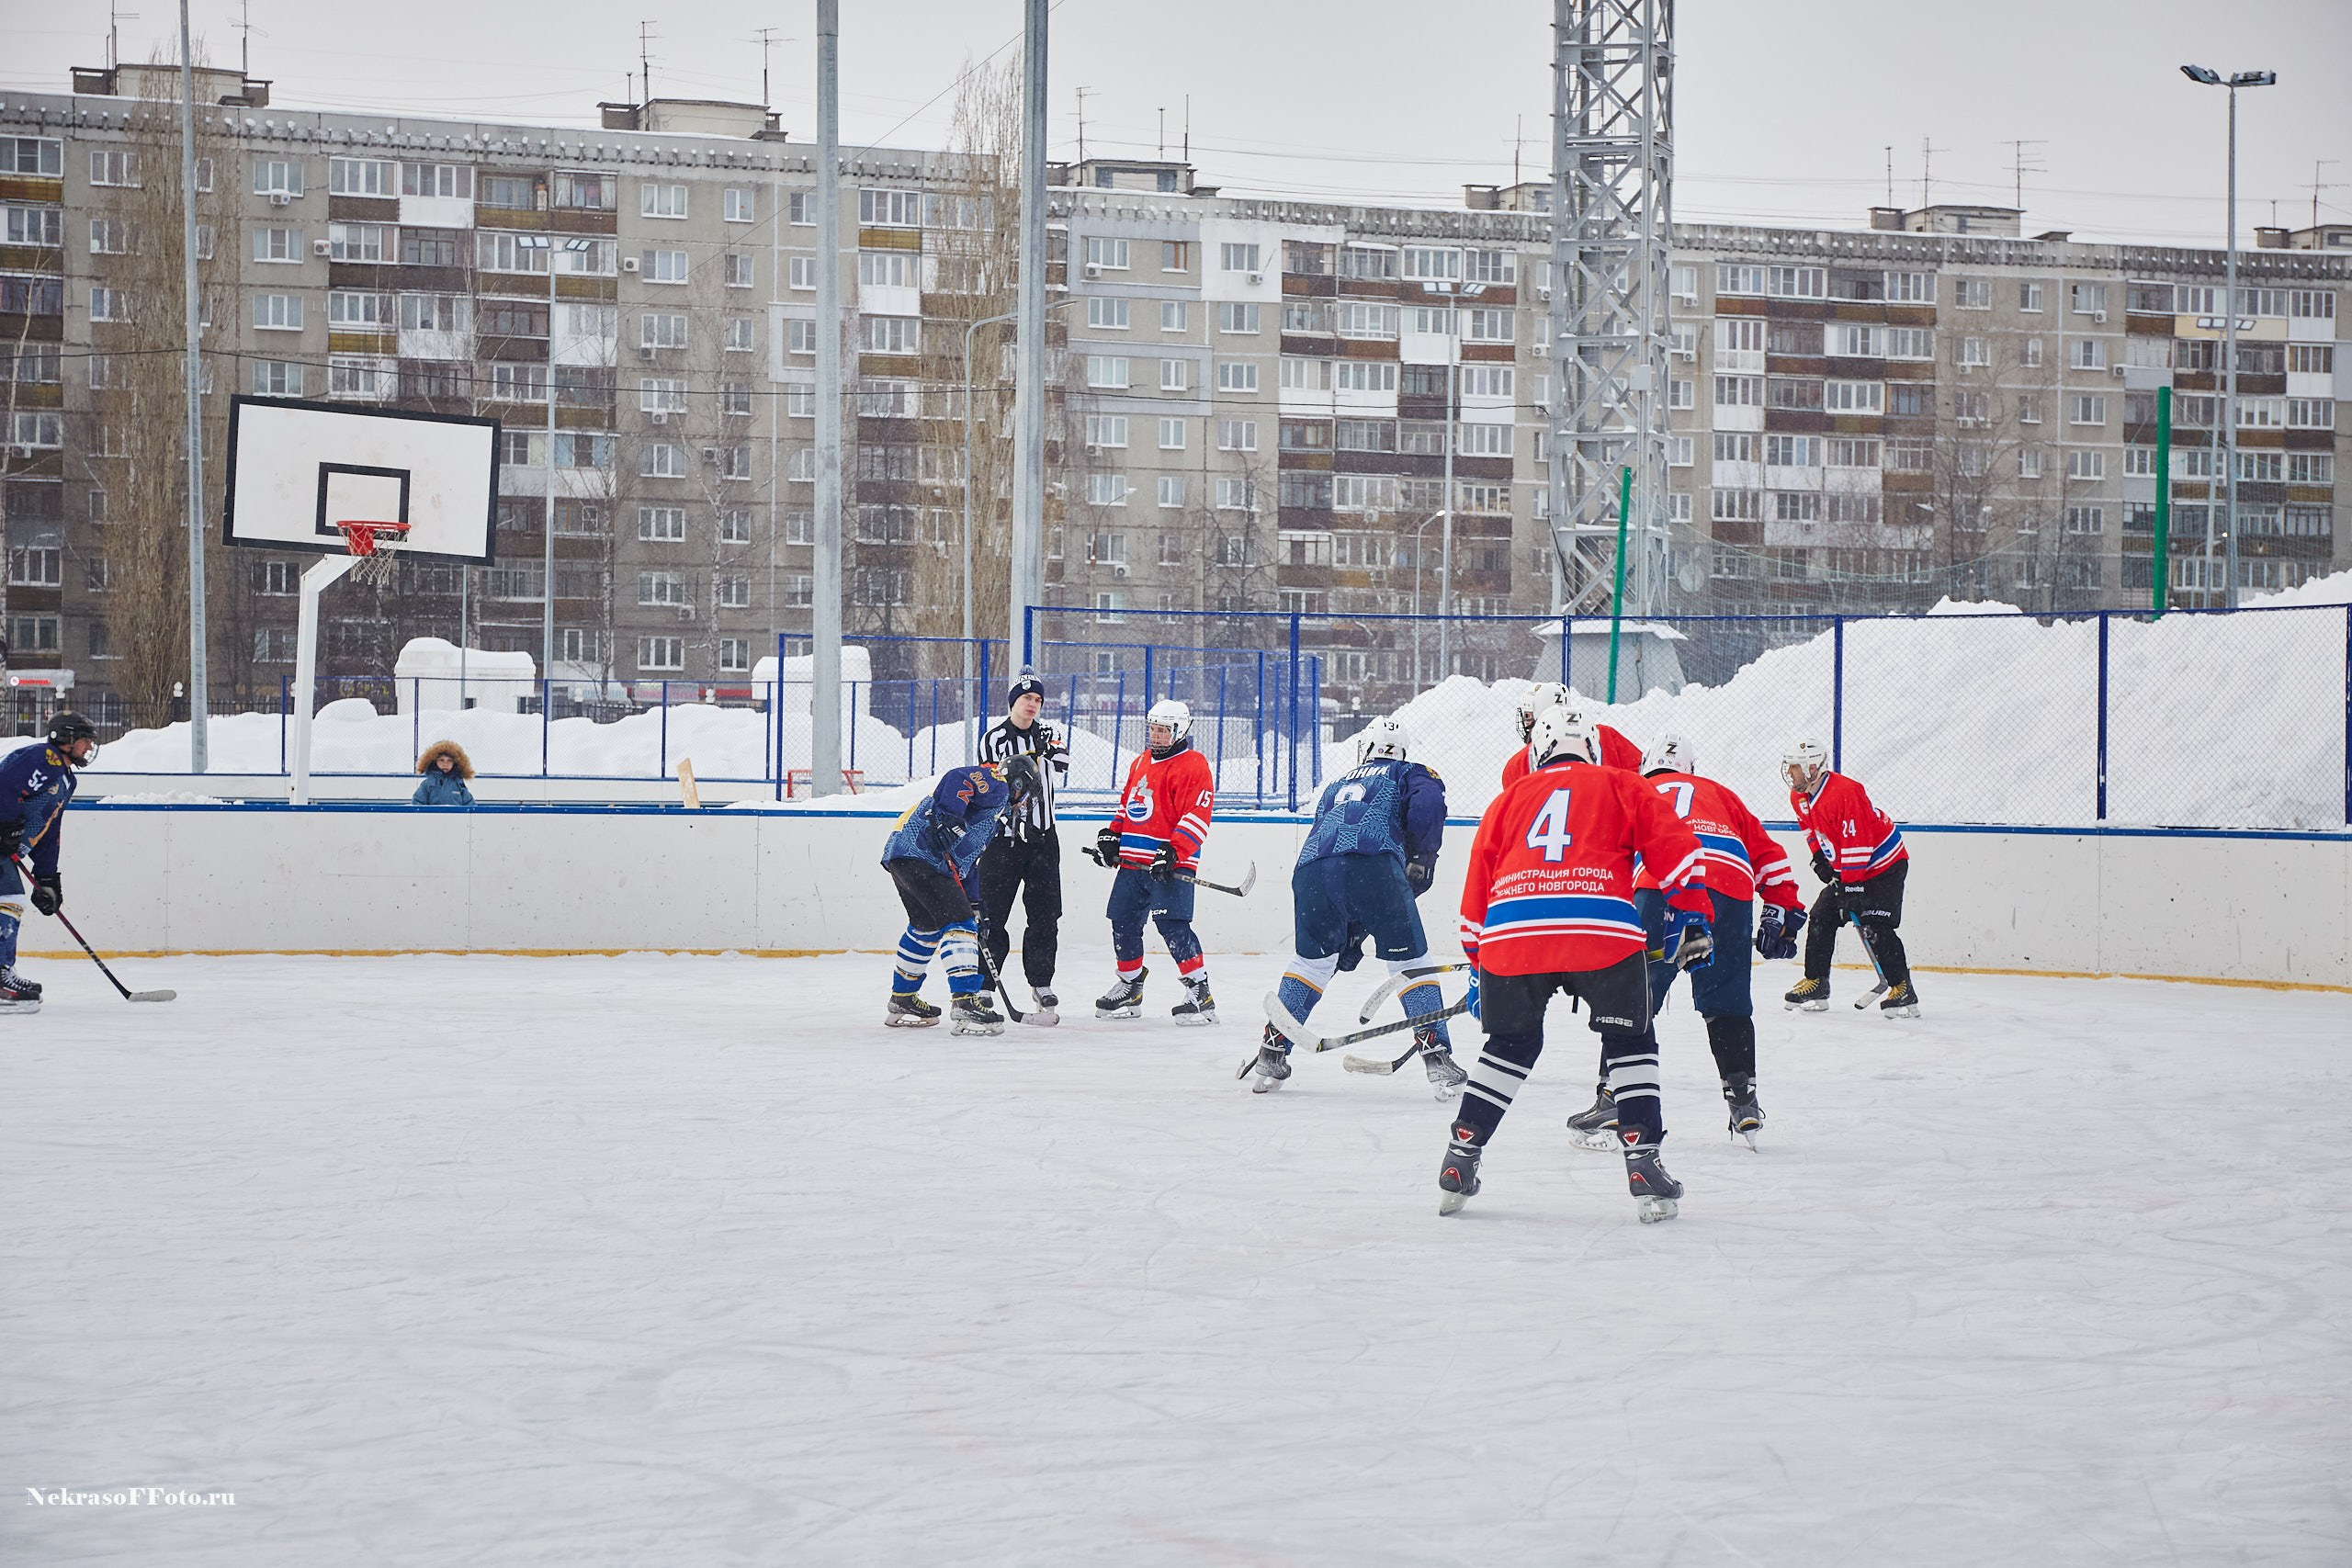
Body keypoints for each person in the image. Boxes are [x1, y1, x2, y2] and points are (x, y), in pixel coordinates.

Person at [1442, 705, 1712, 1222]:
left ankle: (1461, 1154)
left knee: (1511, 1045)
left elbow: (1478, 885)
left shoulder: (1508, 799)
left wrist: (1478, 963)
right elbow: (1678, 854)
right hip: (1601, 934)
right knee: (1631, 1041)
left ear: (1539, 751)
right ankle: (1642, 1162)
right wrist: (1695, 917)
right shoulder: (1623, 783)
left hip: (1514, 936)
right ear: (1592, 747)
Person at [1563, 732, 1806, 1151]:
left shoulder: (1634, 788)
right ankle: (1743, 1098)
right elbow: (1769, 856)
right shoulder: (1721, 794)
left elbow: (1604, 857)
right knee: (1726, 1001)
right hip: (1730, 888)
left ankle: (1612, 1098)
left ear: (1646, 767)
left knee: (1632, 999)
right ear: (1691, 771)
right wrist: (1779, 911)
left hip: (1663, 884)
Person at [1245, 715, 1457, 1097]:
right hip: (1373, 864)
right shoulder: (1410, 772)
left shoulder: (1337, 783)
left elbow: (1335, 843)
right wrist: (1422, 856)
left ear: (1367, 748)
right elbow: (1428, 802)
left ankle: (1273, 1047)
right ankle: (1436, 1054)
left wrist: (1351, 929)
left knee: (1312, 963)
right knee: (1410, 963)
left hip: (1311, 870)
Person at [879, 755, 1040, 1035]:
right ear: (1019, 783)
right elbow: (959, 778)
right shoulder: (998, 785)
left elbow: (966, 865)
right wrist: (947, 816)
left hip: (904, 856)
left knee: (926, 927)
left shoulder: (990, 821)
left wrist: (976, 905)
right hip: (920, 854)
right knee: (960, 924)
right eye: (1028, 795)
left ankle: (902, 998)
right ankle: (965, 1000)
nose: (1026, 803)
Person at [1085, 697, 1217, 1024]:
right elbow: (1127, 806)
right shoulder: (1141, 761)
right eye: (1153, 729)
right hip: (1133, 864)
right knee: (1123, 921)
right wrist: (1112, 837)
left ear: (1180, 729)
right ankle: (1130, 986)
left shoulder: (1194, 765)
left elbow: (1198, 815)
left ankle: (1200, 991)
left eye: (1162, 731)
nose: (1155, 736)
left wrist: (1174, 851)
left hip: (1169, 866)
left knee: (1172, 925)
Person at [1780, 738, 1918, 1018]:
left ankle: (1902, 988)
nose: (1791, 773)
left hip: (1884, 865)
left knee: (1874, 923)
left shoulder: (1847, 792)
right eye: (1790, 767)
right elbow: (1810, 830)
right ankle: (1817, 982)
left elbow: (1859, 842)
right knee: (1821, 915)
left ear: (1813, 768)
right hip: (1852, 868)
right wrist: (1819, 859)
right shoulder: (1799, 796)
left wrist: (1853, 887)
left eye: (1796, 767)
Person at [975, 670, 1071, 1023]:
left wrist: (1047, 747)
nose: (1032, 705)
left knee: (1045, 915)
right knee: (992, 913)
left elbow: (1061, 763)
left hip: (1043, 839)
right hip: (1003, 839)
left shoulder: (1050, 732)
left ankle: (1041, 982)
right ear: (1013, 701)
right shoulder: (994, 737)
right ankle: (984, 985)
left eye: (1038, 700)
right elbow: (991, 778)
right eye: (1026, 699)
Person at [0, 711, 97, 1014]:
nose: (89, 748)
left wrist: (46, 877)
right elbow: (5, 784)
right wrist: (6, 825)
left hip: (4, 848)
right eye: (84, 741)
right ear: (65, 740)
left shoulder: (67, 778)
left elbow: (50, 827)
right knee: (10, 896)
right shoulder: (44, 758)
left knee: (10, 897)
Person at [1498, 684, 1641, 789]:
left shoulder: (1518, 764)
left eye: (1528, 715)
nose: (1526, 722)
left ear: (1541, 714)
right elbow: (1645, 776)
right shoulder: (1607, 736)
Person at [412, 740, 476, 806]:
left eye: (449, 760)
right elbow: (417, 803)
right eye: (441, 760)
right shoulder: (427, 784)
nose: (445, 764)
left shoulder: (459, 784)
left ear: (455, 763)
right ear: (434, 761)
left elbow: (470, 805)